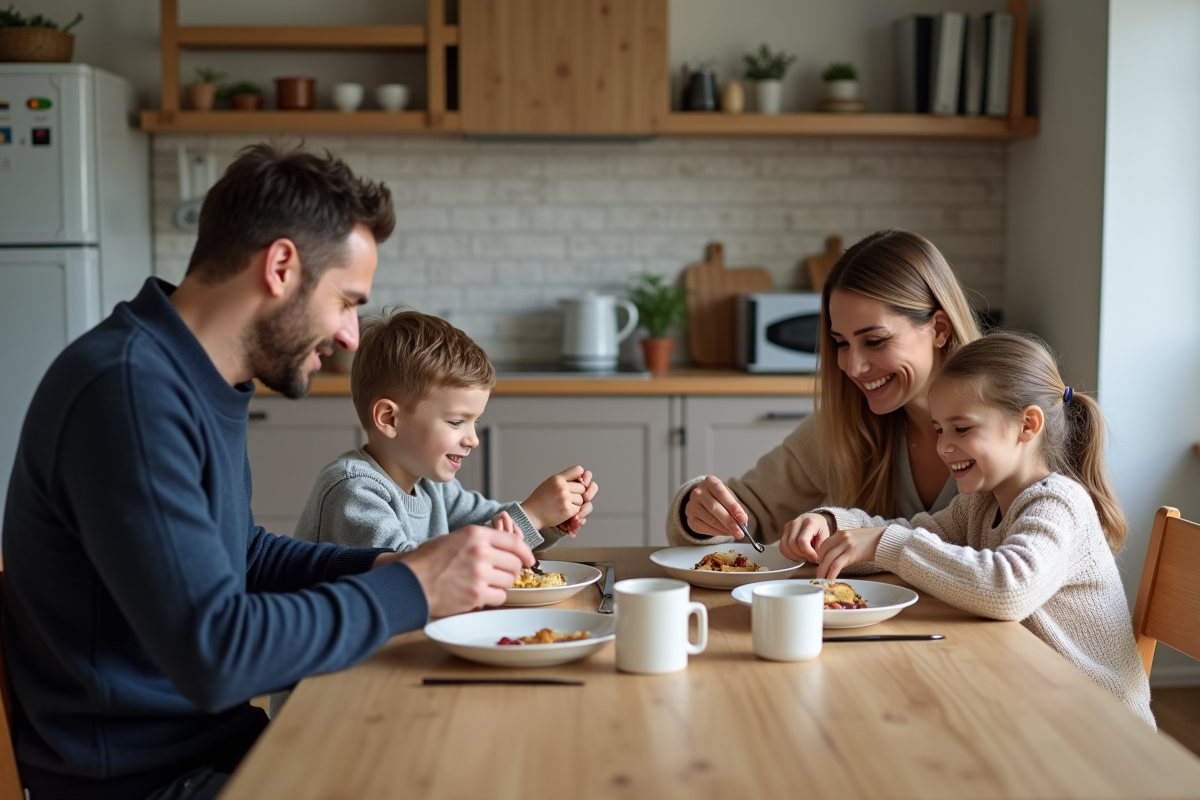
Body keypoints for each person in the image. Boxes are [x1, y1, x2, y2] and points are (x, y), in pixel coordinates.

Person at [0, 144, 534, 800]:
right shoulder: (129, 392)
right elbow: (217, 655)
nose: (350, 337)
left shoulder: (191, 377)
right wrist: (415, 589)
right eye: (345, 301)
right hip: (146, 783)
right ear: (281, 266)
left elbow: (240, 554)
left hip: (212, 748)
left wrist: (388, 569)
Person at [797, 332, 1154, 728]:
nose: (944, 447)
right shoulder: (981, 503)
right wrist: (835, 531)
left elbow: (1007, 589)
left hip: (1101, 727)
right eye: (939, 430)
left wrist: (886, 544)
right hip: (1034, 705)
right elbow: (915, 535)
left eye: (961, 429)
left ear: (1027, 425)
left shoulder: (1059, 503)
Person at [669, 229, 982, 556]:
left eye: (874, 341)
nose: (853, 367)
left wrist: (842, 526)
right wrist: (698, 513)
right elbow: (750, 510)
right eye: (841, 343)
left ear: (940, 329)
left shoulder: (1017, 426)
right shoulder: (842, 424)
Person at [290, 308, 599, 554]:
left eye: (475, 422)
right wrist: (533, 515)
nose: (473, 439)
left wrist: (551, 519)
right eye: (456, 422)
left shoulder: (431, 486)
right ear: (389, 419)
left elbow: (492, 524)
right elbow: (412, 576)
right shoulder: (353, 491)